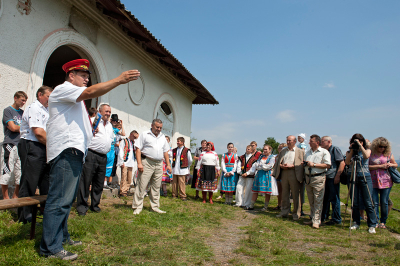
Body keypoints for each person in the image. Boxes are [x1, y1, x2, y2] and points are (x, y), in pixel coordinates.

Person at [40, 58, 140, 260]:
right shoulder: (63, 89)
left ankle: (61, 237)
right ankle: (50, 247)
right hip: (67, 151)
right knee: (59, 200)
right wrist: (119, 80)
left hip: (74, 152)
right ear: (71, 75)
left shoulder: (72, 97)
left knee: (66, 201)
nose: (86, 79)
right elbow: (89, 93)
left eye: (88, 76)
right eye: (83, 75)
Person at [17, 86, 53, 223]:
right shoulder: (34, 108)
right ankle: (25, 216)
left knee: (45, 181)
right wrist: (52, 145)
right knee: (29, 181)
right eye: (49, 96)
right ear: (40, 95)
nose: (51, 99)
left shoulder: (47, 110)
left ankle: (45, 212)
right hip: (32, 145)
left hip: (44, 147)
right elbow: (38, 132)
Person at [76, 103, 114, 216]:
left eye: (109, 112)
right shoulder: (92, 121)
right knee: (86, 181)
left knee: (98, 182)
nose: (108, 114)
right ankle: (82, 206)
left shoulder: (110, 126)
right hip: (91, 154)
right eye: (106, 111)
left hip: (103, 156)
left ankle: (95, 205)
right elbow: (81, 133)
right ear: (100, 111)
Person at [132, 119, 171, 215]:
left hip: (159, 163)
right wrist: (139, 163)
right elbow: (138, 149)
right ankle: (137, 206)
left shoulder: (162, 137)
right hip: (147, 162)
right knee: (142, 184)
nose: (159, 129)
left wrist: (168, 164)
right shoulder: (145, 134)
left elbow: (165, 151)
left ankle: (155, 206)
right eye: (157, 127)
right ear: (152, 125)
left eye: (160, 128)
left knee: (156, 186)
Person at [345, 133, 377, 234]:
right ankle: (356, 222)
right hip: (353, 175)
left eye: (360, 141)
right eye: (355, 141)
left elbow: (366, 156)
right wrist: (352, 150)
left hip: (365, 176)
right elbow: (347, 162)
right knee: (354, 202)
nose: (358, 143)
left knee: (368, 201)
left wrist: (361, 146)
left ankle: (372, 224)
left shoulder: (367, 150)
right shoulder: (350, 151)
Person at [1, 91, 27, 199]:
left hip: (20, 145)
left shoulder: (23, 113)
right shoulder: (8, 111)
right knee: (7, 171)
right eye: (22, 100)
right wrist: (25, 127)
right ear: (15, 98)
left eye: (25, 101)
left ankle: (15, 197)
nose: (24, 103)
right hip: (10, 144)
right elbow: (12, 127)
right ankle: (6, 198)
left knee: (20, 173)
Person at [273, 136, 304, 221]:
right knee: (285, 193)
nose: (288, 142)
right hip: (284, 173)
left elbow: (302, 164)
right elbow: (279, 161)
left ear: (295, 141)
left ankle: (296, 214)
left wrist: (292, 166)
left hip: (294, 172)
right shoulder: (283, 151)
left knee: (295, 194)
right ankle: (284, 212)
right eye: (287, 140)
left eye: (290, 140)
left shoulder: (300, 151)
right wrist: (281, 166)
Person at [303, 134, 331, 229]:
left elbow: (327, 165)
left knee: (318, 199)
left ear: (317, 142)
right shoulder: (308, 152)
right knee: (311, 200)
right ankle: (312, 218)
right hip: (308, 178)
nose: (309, 143)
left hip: (318, 177)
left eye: (311, 141)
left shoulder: (324, 152)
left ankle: (316, 220)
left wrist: (313, 164)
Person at [369, 137, 397, 229]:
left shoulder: (388, 154)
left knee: (384, 202)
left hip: (386, 180)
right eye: (380, 146)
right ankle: (375, 220)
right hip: (373, 180)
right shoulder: (371, 154)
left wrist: (391, 164)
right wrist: (379, 166)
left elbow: (395, 164)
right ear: (376, 146)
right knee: (375, 202)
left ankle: (383, 221)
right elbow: (367, 166)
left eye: (384, 147)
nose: (382, 148)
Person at [320, 136, 345, 225]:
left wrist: (338, 175)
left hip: (332, 176)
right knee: (325, 198)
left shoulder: (335, 149)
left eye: (322, 141)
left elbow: (342, 162)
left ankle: (336, 218)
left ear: (328, 142)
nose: (321, 143)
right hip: (325, 176)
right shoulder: (323, 151)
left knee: (334, 198)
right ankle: (324, 216)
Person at [245, 144, 278, 211]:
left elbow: (269, 166)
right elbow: (256, 165)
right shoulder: (261, 157)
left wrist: (261, 165)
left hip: (267, 175)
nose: (264, 151)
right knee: (255, 190)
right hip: (259, 175)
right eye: (264, 149)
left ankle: (265, 206)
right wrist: (262, 166)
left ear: (270, 150)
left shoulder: (272, 157)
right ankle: (251, 205)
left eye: (266, 149)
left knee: (266, 192)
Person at [104, 114, 125, 188]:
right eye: (114, 120)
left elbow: (123, 134)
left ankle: (105, 182)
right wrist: (109, 121)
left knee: (109, 166)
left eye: (116, 121)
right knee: (104, 164)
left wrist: (122, 125)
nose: (115, 122)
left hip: (112, 150)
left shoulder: (115, 129)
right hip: (107, 148)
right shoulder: (107, 126)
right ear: (111, 120)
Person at [117, 130, 138, 197]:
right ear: (131, 134)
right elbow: (121, 151)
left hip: (131, 162)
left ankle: (127, 189)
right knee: (124, 176)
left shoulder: (133, 143)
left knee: (129, 178)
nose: (135, 138)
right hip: (125, 162)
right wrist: (121, 161)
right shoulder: (124, 141)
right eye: (134, 137)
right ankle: (122, 191)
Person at [273, 143, 287, 210]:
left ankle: (283, 205)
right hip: (278, 174)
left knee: (284, 190)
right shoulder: (276, 156)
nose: (280, 149)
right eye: (279, 148)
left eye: (282, 148)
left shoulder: (285, 156)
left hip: (283, 174)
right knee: (279, 191)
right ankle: (279, 204)